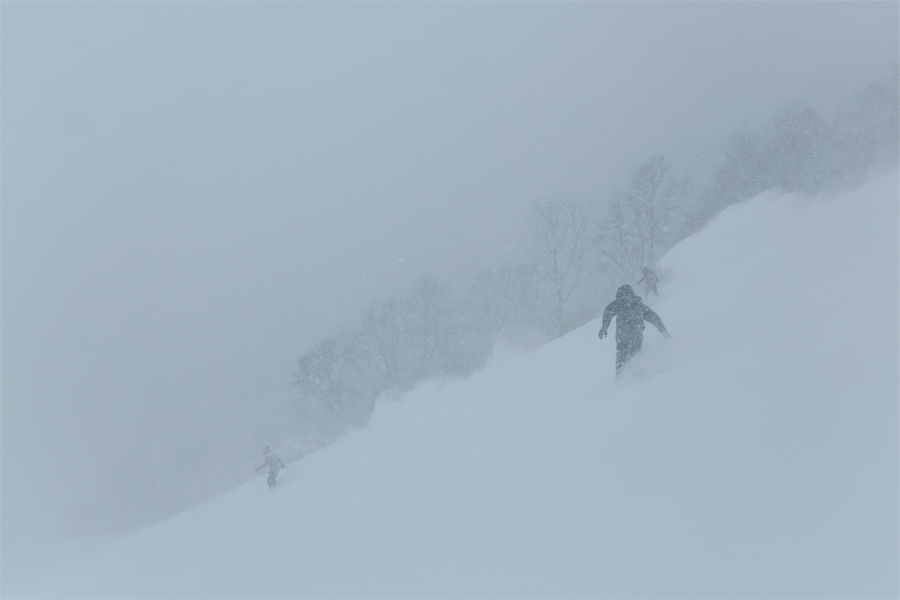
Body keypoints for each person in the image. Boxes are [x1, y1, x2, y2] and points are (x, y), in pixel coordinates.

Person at [598, 284, 669, 376]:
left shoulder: (618, 303)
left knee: (621, 360)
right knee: (636, 357)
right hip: (636, 336)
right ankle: (638, 377)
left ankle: (621, 379)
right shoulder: (638, 304)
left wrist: (604, 327)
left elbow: (608, 312)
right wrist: (664, 332)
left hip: (622, 337)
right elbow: (654, 318)